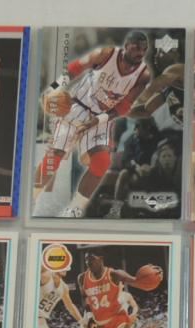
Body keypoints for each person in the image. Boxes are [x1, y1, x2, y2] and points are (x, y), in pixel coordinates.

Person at [33, 30, 152, 217]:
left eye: (144, 49)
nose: (140, 53)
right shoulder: (105, 54)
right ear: (126, 46)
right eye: (136, 48)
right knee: (55, 154)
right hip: (78, 106)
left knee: (102, 162)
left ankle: (75, 209)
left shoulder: (143, 75)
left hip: (102, 118)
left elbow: (124, 106)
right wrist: (52, 88)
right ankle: (31, 196)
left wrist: (98, 120)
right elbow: (74, 69)